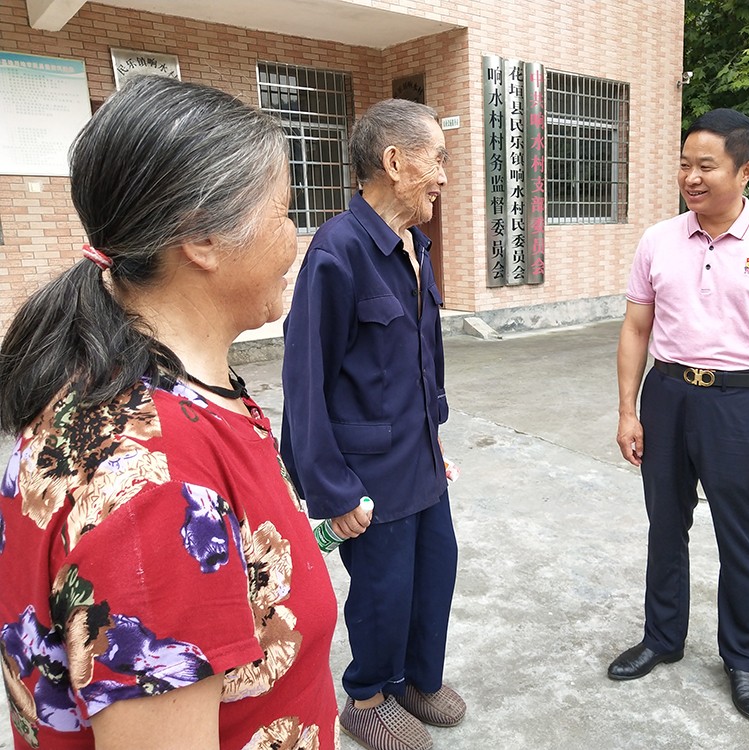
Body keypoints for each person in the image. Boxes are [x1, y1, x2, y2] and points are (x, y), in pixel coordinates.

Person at [0, 76, 339, 749]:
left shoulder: (158, 386)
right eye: (283, 212)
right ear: (200, 235)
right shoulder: (155, 493)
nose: (295, 238)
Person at [608, 108, 749, 721]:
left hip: (738, 403)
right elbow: (636, 328)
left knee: (740, 534)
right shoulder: (659, 240)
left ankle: (744, 661)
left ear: (744, 171)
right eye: (684, 164)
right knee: (664, 524)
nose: (691, 177)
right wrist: (628, 412)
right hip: (667, 395)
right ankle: (661, 638)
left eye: (706, 165)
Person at [280, 99, 462, 750]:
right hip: (368, 473)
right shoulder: (339, 250)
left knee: (436, 569)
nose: (444, 176)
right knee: (384, 589)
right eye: (437, 159)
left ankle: (417, 680)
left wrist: (434, 439)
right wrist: (331, 491)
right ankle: (367, 697)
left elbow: (420, 361)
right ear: (394, 162)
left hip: (419, 458)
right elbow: (305, 380)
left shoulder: (415, 245)